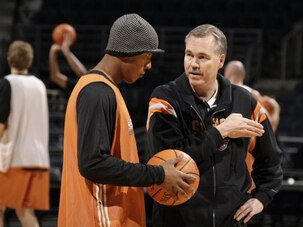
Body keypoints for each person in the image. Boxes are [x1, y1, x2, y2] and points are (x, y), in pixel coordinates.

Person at [58, 14, 195, 227]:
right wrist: (157, 174)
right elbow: (93, 163)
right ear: (130, 53)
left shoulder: (104, 89)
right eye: (147, 57)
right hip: (99, 219)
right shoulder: (97, 93)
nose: (149, 66)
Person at [146, 24, 283, 226]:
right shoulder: (165, 99)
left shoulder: (245, 101)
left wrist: (261, 198)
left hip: (232, 220)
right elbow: (168, 159)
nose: (193, 63)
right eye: (189, 55)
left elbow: (271, 161)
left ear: (220, 60)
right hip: (178, 220)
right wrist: (222, 131)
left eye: (202, 57)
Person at [0, 40, 49, 227]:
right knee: (25, 212)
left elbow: (1, 125)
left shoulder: (6, 84)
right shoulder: (40, 86)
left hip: (13, 159)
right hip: (38, 160)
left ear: (8, 59)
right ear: (30, 61)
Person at [224, 60, 281, 132]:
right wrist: (276, 109)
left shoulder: (218, 92)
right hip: (246, 139)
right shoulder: (253, 94)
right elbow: (269, 128)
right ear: (243, 75)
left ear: (227, 74)